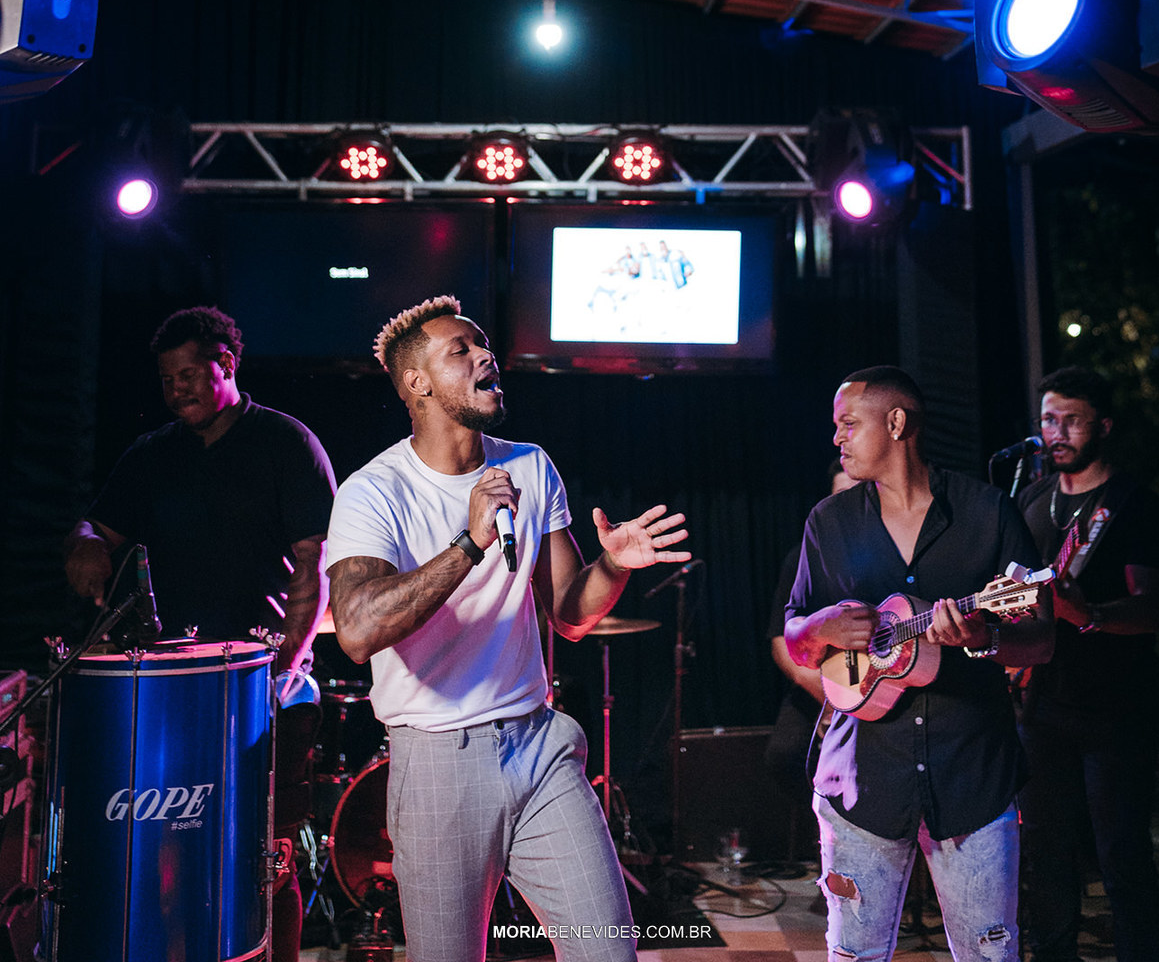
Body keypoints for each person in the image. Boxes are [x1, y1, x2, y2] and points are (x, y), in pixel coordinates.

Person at [326, 295, 690, 962]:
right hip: (439, 759)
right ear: (417, 383)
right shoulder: (373, 493)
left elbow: (572, 614)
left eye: (484, 345)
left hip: (538, 745)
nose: (485, 356)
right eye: (459, 350)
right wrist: (469, 545)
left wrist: (613, 565)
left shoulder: (529, 464)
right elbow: (355, 629)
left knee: (608, 952)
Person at [64, 305, 336, 962]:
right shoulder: (153, 455)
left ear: (227, 365)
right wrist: (84, 544)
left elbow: (313, 568)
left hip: (269, 684)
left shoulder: (284, 441)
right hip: (179, 691)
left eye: (191, 373)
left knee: (267, 856)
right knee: (177, 844)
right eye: (168, 379)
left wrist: (281, 672)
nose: (179, 388)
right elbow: (96, 529)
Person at [784, 366, 1053, 962]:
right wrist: (819, 627)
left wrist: (984, 639)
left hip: (972, 780)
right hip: (861, 784)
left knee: (990, 957)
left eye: (848, 423)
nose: (837, 438)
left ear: (896, 422)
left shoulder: (988, 513)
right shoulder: (828, 522)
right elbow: (795, 634)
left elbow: (1040, 639)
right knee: (852, 954)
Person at [1016, 365, 1159, 962]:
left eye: (1072, 420)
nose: (1056, 432)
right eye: (1048, 420)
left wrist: (1088, 614)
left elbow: (1148, 610)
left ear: (1102, 426)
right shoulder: (1032, 503)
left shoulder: (1138, 507)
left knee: (1120, 852)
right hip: (1044, 703)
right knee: (1047, 852)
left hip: (1117, 706)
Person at [764, 467, 854, 858]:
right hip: (821, 690)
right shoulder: (802, 559)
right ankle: (832, 840)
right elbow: (781, 642)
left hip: (885, 686)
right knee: (786, 755)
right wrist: (828, 696)